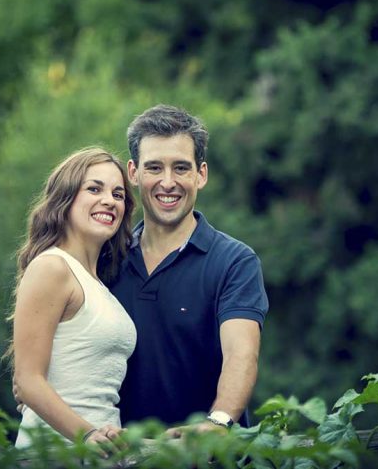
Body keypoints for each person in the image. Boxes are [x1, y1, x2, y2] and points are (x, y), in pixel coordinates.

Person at [111, 104, 269, 433]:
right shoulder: (107, 257)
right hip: (123, 456)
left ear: (201, 174)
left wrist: (219, 421)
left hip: (206, 456)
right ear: (133, 172)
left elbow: (241, 355)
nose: (168, 182)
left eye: (181, 168)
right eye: (154, 167)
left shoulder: (234, 262)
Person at [7, 147, 137, 452]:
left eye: (118, 195)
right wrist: (88, 435)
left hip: (103, 454)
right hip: (55, 454)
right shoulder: (52, 267)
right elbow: (28, 381)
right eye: (94, 188)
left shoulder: (99, 284)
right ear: (65, 199)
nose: (109, 200)